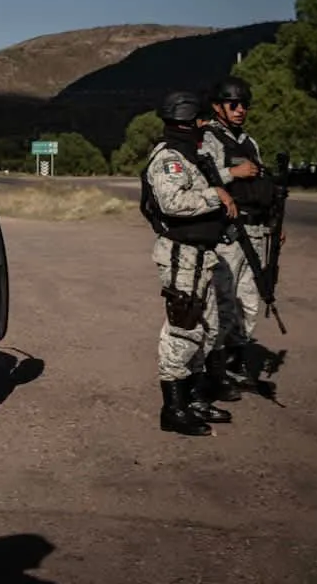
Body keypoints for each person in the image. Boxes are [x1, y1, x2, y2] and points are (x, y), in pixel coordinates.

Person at [140, 91, 235, 437]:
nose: (205, 126)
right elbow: (172, 202)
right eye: (200, 121)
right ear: (187, 121)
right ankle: (173, 408)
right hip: (183, 255)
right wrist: (216, 195)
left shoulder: (191, 154)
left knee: (206, 328)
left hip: (200, 255)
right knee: (184, 327)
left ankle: (194, 398)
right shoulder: (169, 158)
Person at [200, 76, 283, 392]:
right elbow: (201, 180)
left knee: (249, 303)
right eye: (233, 104)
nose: (240, 110)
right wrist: (232, 172)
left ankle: (234, 362)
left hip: (259, 229)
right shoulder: (209, 139)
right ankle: (214, 371)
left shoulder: (249, 142)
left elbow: (262, 185)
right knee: (224, 302)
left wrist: (277, 225)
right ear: (218, 106)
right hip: (229, 233)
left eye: (244, 104)